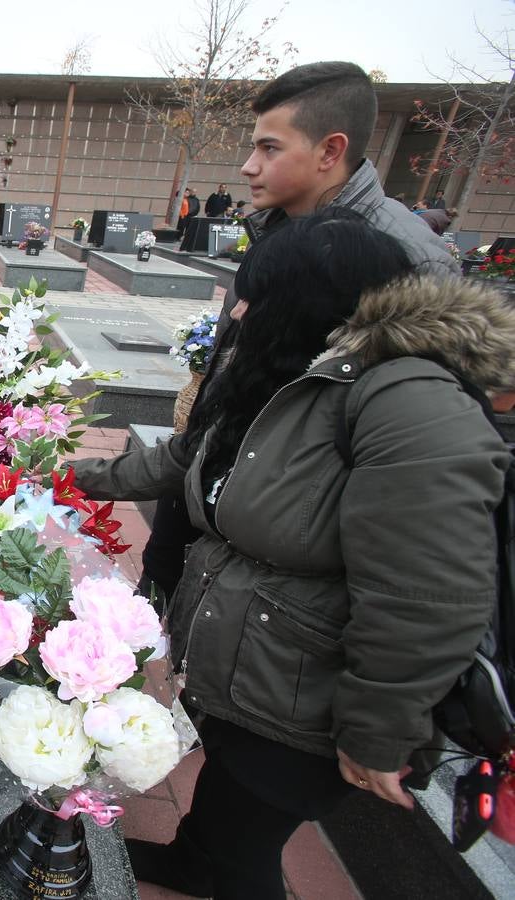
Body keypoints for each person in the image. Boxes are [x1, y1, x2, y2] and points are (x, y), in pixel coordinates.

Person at [72, 211, 514, 899]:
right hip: (253, 673)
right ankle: (193, 863)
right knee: (229, 802)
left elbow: (426, 595)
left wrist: (377, 734)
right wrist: (66, 476)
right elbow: (188, 459)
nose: (239, 309)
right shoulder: (289, 376)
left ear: (309, 301)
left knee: (250, 853)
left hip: (307, 701)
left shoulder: (406, 400)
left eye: (256, 294)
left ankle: (213, 867)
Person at [139, 61, 459, 603]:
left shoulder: (406, 260)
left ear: (330, 151)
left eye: (269, 148)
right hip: (217, 471)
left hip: (289, 547)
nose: (247, 166)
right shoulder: (275, 226)